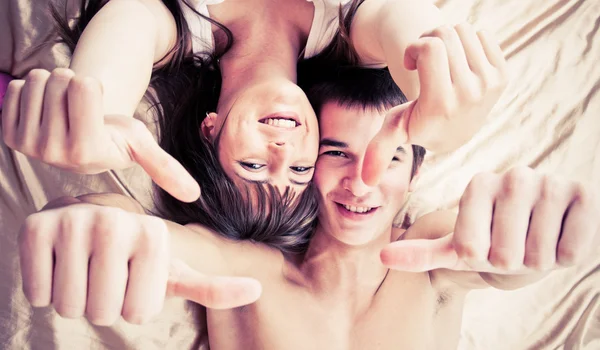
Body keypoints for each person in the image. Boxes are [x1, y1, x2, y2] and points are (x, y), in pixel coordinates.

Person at [18, 65, 598, 349]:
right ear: (304, 163)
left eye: (389, 159)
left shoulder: (429, 253)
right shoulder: (248, 266)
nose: (361, 183)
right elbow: (149, 238)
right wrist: (94, 220)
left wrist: (535, 236)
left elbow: (495, 250)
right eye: (336, 153)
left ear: (415, 171)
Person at [2, 0, 508, 250]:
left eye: (253, 164)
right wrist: (441, 105)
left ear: (209, 129)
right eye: (300, 171)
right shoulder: (355, 34)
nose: (283, 150)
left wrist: (100, 112)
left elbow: (123, 34)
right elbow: (405, 29)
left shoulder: (169, 24)